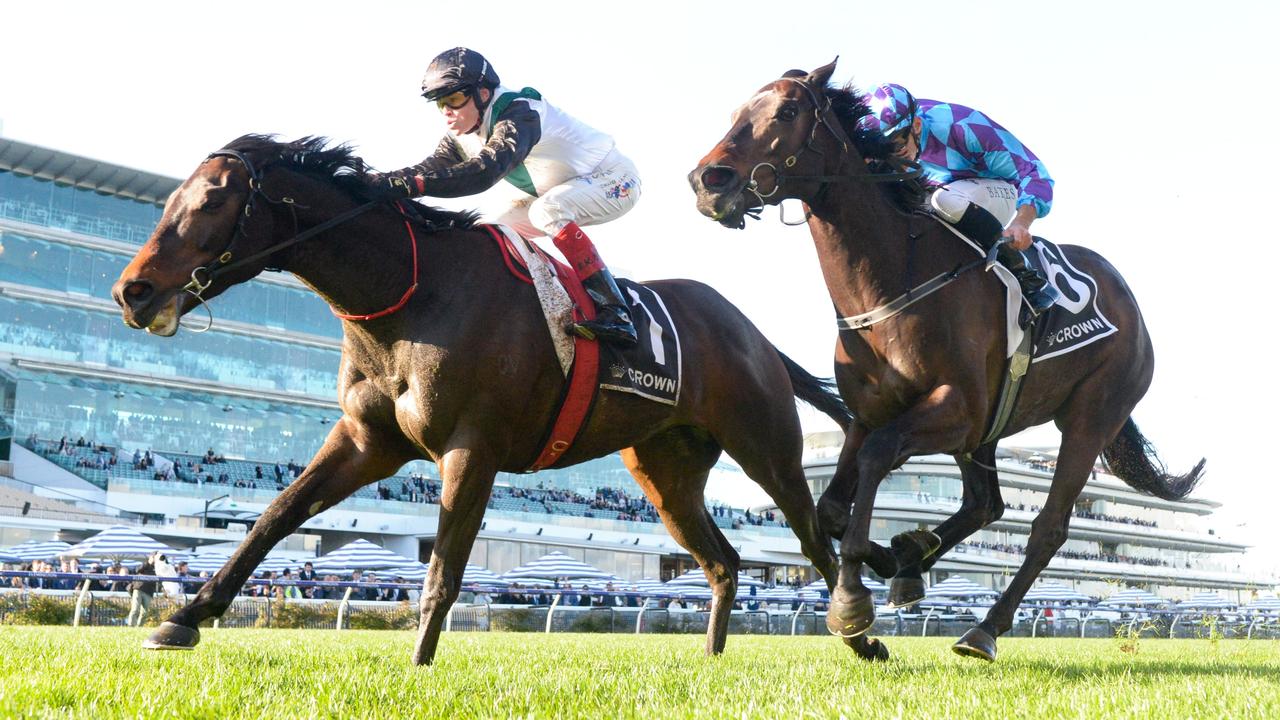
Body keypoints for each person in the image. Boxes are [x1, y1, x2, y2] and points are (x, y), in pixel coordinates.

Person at [375, 47, 642, 346]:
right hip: (563, 191)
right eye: (440, 104)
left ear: (484, 94)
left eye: (453, 99)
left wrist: (413, 186)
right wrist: (375, 181)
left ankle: (615, 311)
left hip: (616, 179)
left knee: (547, 211)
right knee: (491, 234)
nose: (447, 112)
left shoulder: (519, 112)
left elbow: (484, 172)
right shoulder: (464, 133)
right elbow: (429, 169)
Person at [861, 83, 1062, 319]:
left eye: (896, 144)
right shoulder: (886, 140)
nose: (893, 155)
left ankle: (1025, 275)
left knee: (944, 199)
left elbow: (1035, 173)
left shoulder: (963, 128)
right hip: (946, 195)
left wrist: (1021, 223)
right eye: (885, 149)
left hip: (1000, 191)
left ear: (916, 125)